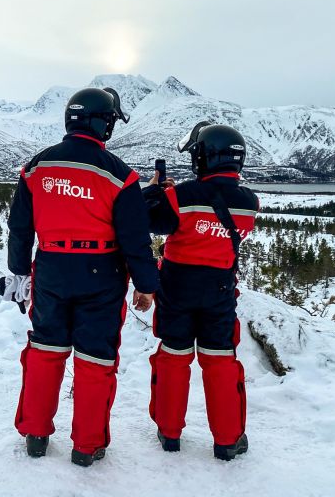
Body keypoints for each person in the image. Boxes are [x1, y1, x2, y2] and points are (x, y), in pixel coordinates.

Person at [5, 87, 159, 467]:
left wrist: (19, 273)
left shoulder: (36, 167)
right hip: (101, 274)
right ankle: (87, 446)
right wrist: (146, 285)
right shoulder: (121, 176)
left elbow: (20, 228)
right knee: (95, 360)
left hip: (51, 269)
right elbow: (135, 239)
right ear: (103, 123)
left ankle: (36, 434)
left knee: (44, 351)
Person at [142, 122, 259, 461]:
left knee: (174, 358)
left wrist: (155, 191)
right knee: (220, 361)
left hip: (177, 285)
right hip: (220, 289)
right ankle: (227, 439)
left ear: (203, 158)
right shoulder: (250, 203)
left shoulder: (183, 195)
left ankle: (169, 432)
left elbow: (153, 220)